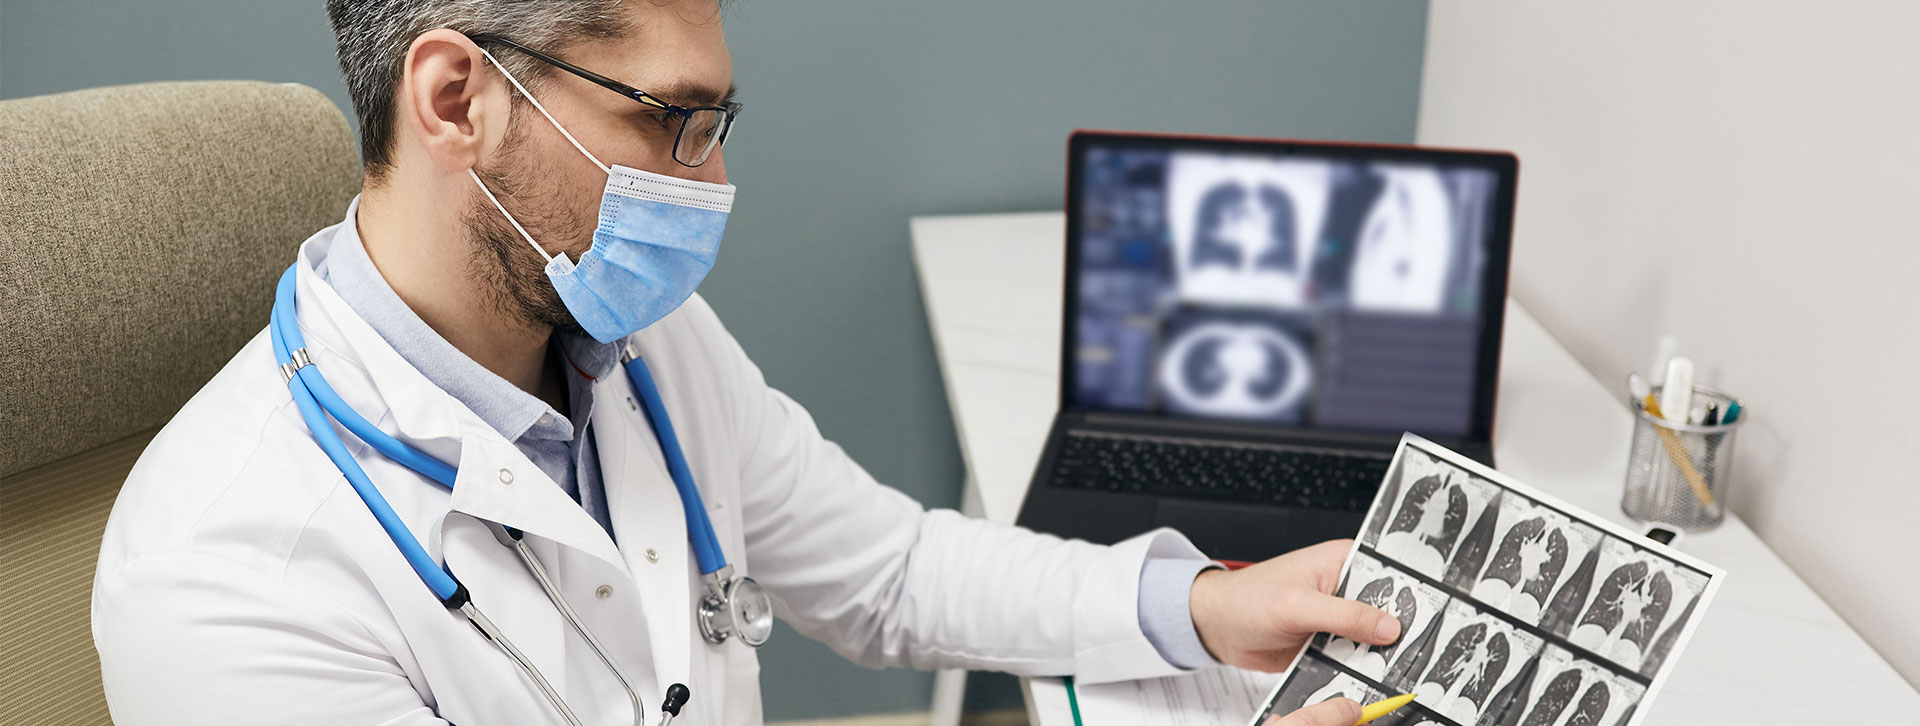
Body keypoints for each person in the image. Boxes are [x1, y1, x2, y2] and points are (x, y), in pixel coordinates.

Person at [90, 2, 1400, 724]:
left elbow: (888, 570)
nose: (712, 183)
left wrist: (1203, 606)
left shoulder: (628, 337)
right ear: (454, 101)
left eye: (721, 122)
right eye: (674, 122)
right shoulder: (224, 578)